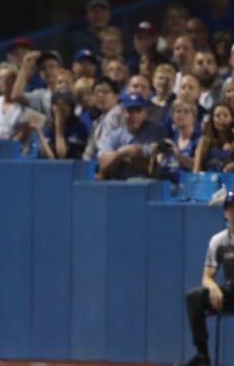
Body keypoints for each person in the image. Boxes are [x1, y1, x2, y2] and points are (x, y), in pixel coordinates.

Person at [178, 189, 234, 366]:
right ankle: (203, 355)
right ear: (226, 212)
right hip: (231, 292)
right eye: (231, 208)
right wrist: (213, 287)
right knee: (194, 297)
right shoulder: (219, 241)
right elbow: (207, 277)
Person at [98, 92, 167, 180]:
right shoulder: (116, 135)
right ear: (123, 113)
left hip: (146, 184)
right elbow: (102, 166)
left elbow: (153, 168)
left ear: (145, 113)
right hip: (119, 183)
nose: (134, 115)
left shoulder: (156, 131)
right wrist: (122, 153)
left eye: (138, 111)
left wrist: (118, 158)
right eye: (130, 111)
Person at [193, 102, 234, 172]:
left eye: (225, 115)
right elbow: (196, 169)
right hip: (208, 180)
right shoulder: (204, 141)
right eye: (218, 116)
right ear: (212, 119)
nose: (222, 119)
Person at [0, 62, 21, 139]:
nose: (5, 81)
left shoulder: (23, 101)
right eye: (1, 78)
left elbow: (22, 132)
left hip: (17, 148)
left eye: (8, 77)